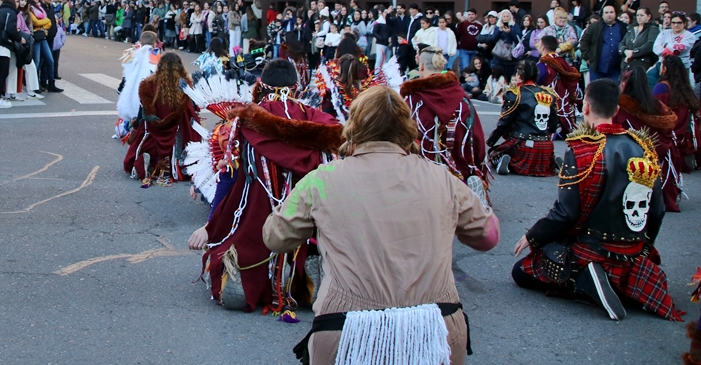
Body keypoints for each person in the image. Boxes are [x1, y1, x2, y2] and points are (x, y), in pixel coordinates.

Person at [265, 85, 497, 365]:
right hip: (437, 330)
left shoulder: (322, 180)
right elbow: (487, 237)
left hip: (346, 331)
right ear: (406, 128)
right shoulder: (442, 178)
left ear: (353, 128)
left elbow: (274, 238)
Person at [512, 78, 683, 322]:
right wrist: (645, 248)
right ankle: (617, 285)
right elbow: (657, 211)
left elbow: (566, 214)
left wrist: (533, 236)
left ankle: (584, 278)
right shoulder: (644, 148)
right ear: (616, 110)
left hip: (593, 247)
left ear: (586, 107)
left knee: (522, 272)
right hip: (632, 251)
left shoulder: (582, 149)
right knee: (628, 274)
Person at [189, 59, 342, 316]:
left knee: (239, 239)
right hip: (307, 221)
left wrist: (211, 225)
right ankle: (307, 268)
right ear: (296, 86)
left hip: (259, 222)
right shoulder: (320, 122)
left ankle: (250, 274)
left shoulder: (244, 121)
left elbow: (229, 177)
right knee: (314, 232)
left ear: (262, 84)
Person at [402, 46, 489, 203]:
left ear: (421, 66)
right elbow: (476, 137)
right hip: (458, 168)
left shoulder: (413, 100)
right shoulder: (462, 98)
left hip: (423, 170)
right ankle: (466, 188)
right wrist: (477, 166)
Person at [122, 52, 201, 187]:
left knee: (145, 139)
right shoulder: (185, 86)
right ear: (180, 67)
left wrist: (138, 124)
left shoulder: (147, 84)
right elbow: (191, 110)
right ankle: (172, 165)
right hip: (178, 130)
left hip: (152, 129)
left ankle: (151, 164)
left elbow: (144, 110)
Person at [613, 69, 679, 211]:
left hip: (634, 162)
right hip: (664, 157)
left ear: (624, 84)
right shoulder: (658, 106)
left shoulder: (621, 109)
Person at [487, 59, 559, 177]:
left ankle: (504, 161)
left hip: (522, 142)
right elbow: (554, 123)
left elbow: (504, 122)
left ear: (519, 76)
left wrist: (492, 140)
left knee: (494, 153)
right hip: (546, 144)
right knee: (543, 159)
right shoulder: (548, 94)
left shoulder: (515, 94)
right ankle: (553, 162)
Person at [654, 58, 700, 176]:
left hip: (668, 146)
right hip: (686, 147)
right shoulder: (687, 90)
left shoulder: (662, 88)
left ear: (665, 69)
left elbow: (654, 114)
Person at [534, 35, 581, 136]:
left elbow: (538, 80)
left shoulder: (544, 63)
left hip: (548, 100)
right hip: (563, 99)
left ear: (542, 46)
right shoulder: (562, 61)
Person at [580, 4, 626, 82]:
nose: (609, 15)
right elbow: (584, 41)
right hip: (597, 68)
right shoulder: (595, 27)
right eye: (606, 13)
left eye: (611, 12)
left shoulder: (623, 27)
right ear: (602, 15)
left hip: (616, 69)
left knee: (614, 92)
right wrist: (587, 57)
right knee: (596, 92)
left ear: (615, 14)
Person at [653, 11, 697, 76]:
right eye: (673, 22)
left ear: (684, 23)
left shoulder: (690, 36)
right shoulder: (664, 33)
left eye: (679, 22)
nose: (676, 25)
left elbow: (679, 49)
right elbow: (655, 48)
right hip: (663, 65)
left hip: (681, 66)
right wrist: (668, 50)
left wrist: (665, 45)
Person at [619, 6, 658, 73]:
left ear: (649, 16)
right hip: (626, 65)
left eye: (642, 15)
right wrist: (625, 51)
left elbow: (650, 44)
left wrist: (633, 53)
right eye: (637, 15)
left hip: (641, 65)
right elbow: (622, 43)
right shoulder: (631, 28)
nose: (639, 17)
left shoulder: (653, 28)